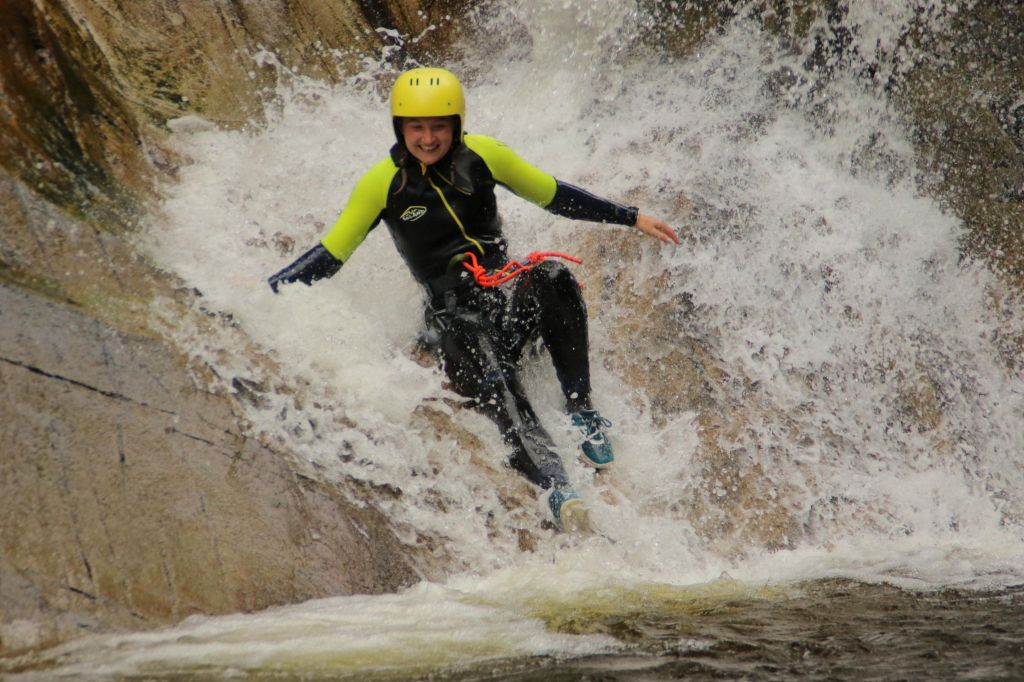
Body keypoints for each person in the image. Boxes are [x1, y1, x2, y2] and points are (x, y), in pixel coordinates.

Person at [268, 67, 679, 532]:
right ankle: (556, 485)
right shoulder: (381, 185)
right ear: (399, 129)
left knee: (553, 276)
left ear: (456, 125)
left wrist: (630, 217)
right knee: (498, 379)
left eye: (439, 126)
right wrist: (263, 294)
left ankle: (582, 411)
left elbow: (552, 194)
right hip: (453, 320)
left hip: (502, 296)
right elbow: (329, 255)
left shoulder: (484, 156)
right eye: (416, 127)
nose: (427, 138)